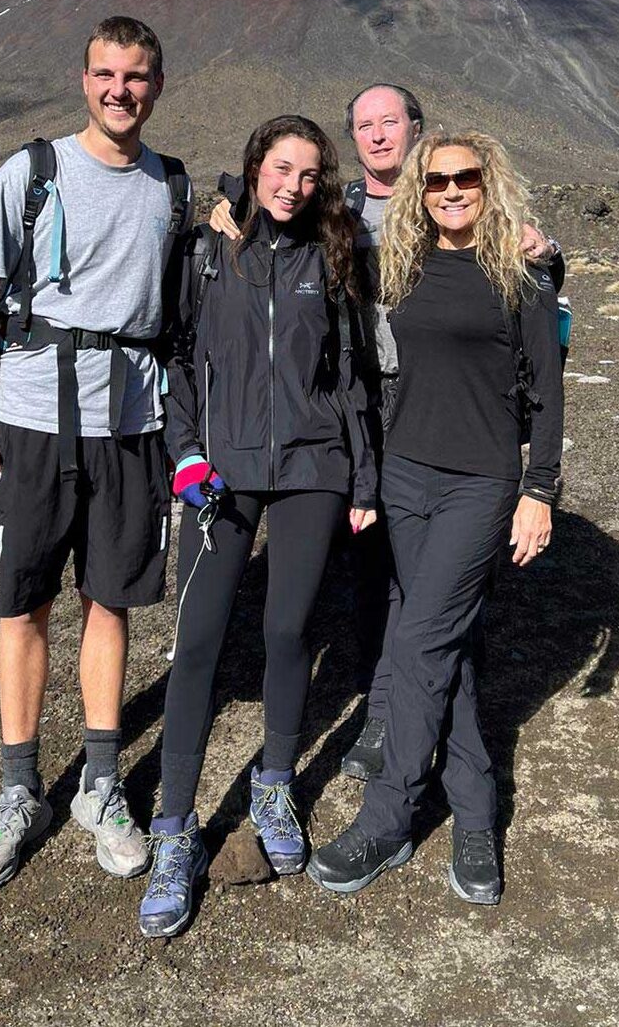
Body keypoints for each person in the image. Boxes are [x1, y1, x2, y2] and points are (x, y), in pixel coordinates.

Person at [209, 84, 561, 779]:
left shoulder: (459, 201)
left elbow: (526, 290)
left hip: (441, 399)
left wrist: (546, 249)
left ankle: (437, 709)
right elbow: (272, 226)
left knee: (443, 578)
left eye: (389, 123)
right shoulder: (334, 207)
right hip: (362, 397)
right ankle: (382, 704)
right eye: (364, 126)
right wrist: (229, 207)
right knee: (377, 567)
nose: (376, 136)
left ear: (418, 130)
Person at [0, 15, 191, 893]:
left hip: (131, 429)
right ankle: (18, 793)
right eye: (105, 74)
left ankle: (100, 784)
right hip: (34, 424)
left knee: (110, 601)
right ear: (84, 80)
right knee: (26, 602)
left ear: (158, 85)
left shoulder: (174, 188)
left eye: (137, 76)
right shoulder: (32, 171)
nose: (120, 90)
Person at [307, 130, 564, 905]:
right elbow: (310, 249)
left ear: (491, 184)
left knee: (419, 641)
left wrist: (539, 490)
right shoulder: (401, 266)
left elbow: (548, 393)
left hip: (479, 484)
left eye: (467, 178)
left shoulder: (522, 273)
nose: (452, 191)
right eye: (437, 181)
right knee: (442, 650)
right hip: (405, 477)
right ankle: (478, 814)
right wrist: (228, 208)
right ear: (417, 191)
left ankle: (387, 818)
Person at [138, 114, 378, 939]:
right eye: (282, 168)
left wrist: (363, 476)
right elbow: (175, 357)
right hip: (223, 475)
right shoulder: (210, 252)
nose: (294, 186)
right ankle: (175, 831)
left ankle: (275, 785)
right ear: (254, 166)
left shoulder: (333, 254)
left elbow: (349, 376)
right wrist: (186, 455)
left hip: (314, 470)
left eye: (311, 175)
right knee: (199, 641)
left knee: (287, 633)